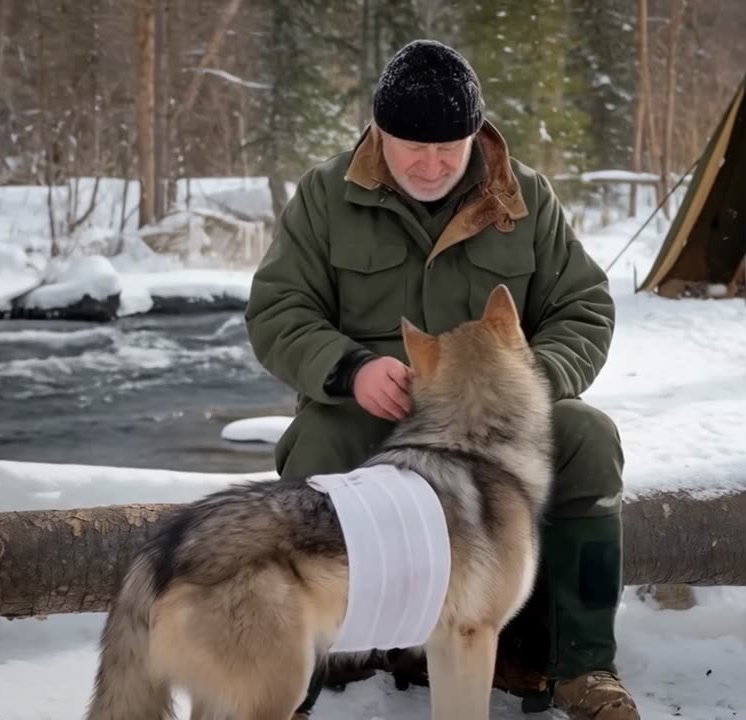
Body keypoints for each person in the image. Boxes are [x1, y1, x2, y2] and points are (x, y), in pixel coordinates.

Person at [243, 38, 639, 720]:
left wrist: (528, 382)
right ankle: (292, 676)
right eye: (411, 148)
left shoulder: (526, 200)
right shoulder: (325, 196)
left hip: (495, 423)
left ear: (476, 137)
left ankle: (582, 664)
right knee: (315, 453)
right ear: (378, 132)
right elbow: (278, 310)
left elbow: (584, 308)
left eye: (448, 150)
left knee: (590, 438)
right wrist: (350, 368)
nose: (430, 165)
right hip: (377, 409)